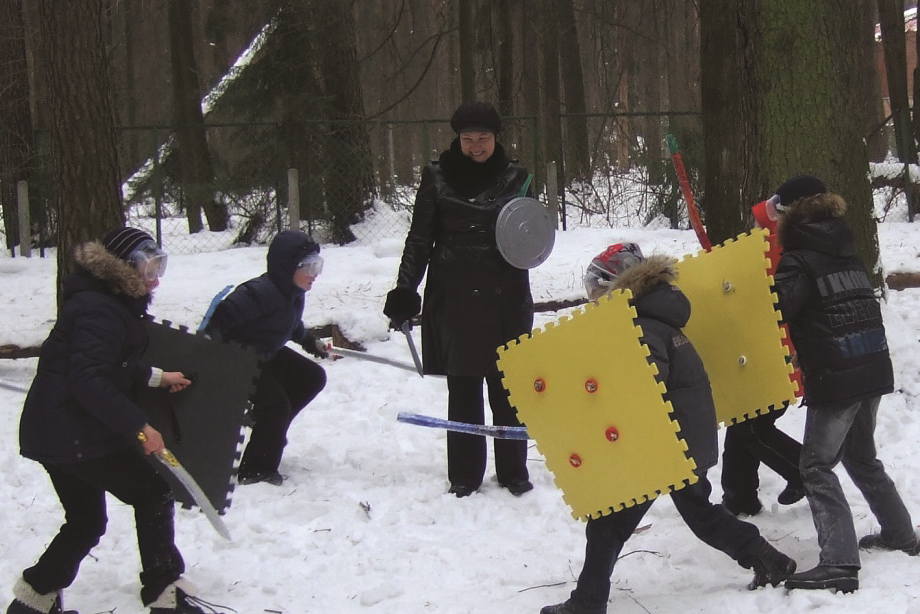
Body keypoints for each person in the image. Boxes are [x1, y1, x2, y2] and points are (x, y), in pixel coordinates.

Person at [541, 243, 796, 614]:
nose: (592, 296)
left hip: (667, 443)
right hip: (680, 439)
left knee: (608, 523)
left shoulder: (643, 327)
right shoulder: (656, 318)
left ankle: (587, 604)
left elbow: (646, 388)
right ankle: (769, 559)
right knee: (700, 515)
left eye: (597, 287)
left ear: (617, 285)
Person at [7, 227, 221, 614]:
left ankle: (32, 601)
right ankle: (164, 592)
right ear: (122, 269)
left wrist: (157, 377)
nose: (155, 278)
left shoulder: (104, 302)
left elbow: (111, 361)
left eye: (159, 267)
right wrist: (140, 426)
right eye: (148, 269)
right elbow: (89, 379)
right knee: (152, 493)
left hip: (54, 430)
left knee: (86, 522)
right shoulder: (101, 310)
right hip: (73, 432)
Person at [768, 175, 919, 594]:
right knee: (861, 457)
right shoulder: (845, 249)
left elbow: (775, 308)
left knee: (816, 467)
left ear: (792, 213)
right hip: (871, 366)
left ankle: (838, 562)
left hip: (837, 376)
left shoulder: (798, 258)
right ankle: (900, 534)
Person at [383, 100, 534, 497]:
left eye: (483, 138)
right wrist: (405, 289)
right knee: (464, 386)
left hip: (506, 295)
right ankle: (465, 474)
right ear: (458, 139)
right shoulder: (437, 177)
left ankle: (513, 470)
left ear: (495, 137)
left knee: (509, 385)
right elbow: (420, 238)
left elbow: (531, 234)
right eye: (468, 139)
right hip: (455, 295)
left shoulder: (517, 177)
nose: (476, 146)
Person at [202, 229, 327, 486]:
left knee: (312, 377)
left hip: (264, 353)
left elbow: (290, 325)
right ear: (288, 267)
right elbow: (219, 320)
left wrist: (310, 342)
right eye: (309, 267)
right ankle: (255, 469)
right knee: (276, 405)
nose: (315, 274)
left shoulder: (293, 294)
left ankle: (269, 432)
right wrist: (217, 355)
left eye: (318, 266)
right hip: (235, 359)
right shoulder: (258, 293)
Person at [719, 199, 805, 516]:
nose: (753, 229)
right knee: (742, 424)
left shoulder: (772, 254)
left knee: (753, 427)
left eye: (759, 224)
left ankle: (803, 470)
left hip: (773, 355)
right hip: (758, 355)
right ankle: (739, 497)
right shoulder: (768, 252)